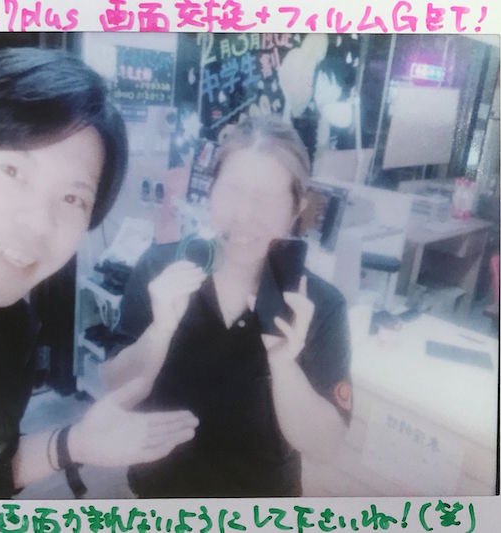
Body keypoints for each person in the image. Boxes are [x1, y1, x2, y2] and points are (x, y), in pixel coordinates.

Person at [0, 47, 198, 499]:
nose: (39, 223)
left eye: (73, 198)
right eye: (12, 170)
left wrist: (73, 443)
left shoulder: (14, 325)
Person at [101, 116, 353, 497]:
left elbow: (325, 446)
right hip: (157, 499)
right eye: (232, 190)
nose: (243, 215)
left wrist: (284, 365)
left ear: (296, 208)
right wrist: (159, 332)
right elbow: (116, 387)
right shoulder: (160, 267)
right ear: (211, 189)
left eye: (266, 199)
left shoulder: (321, 303)